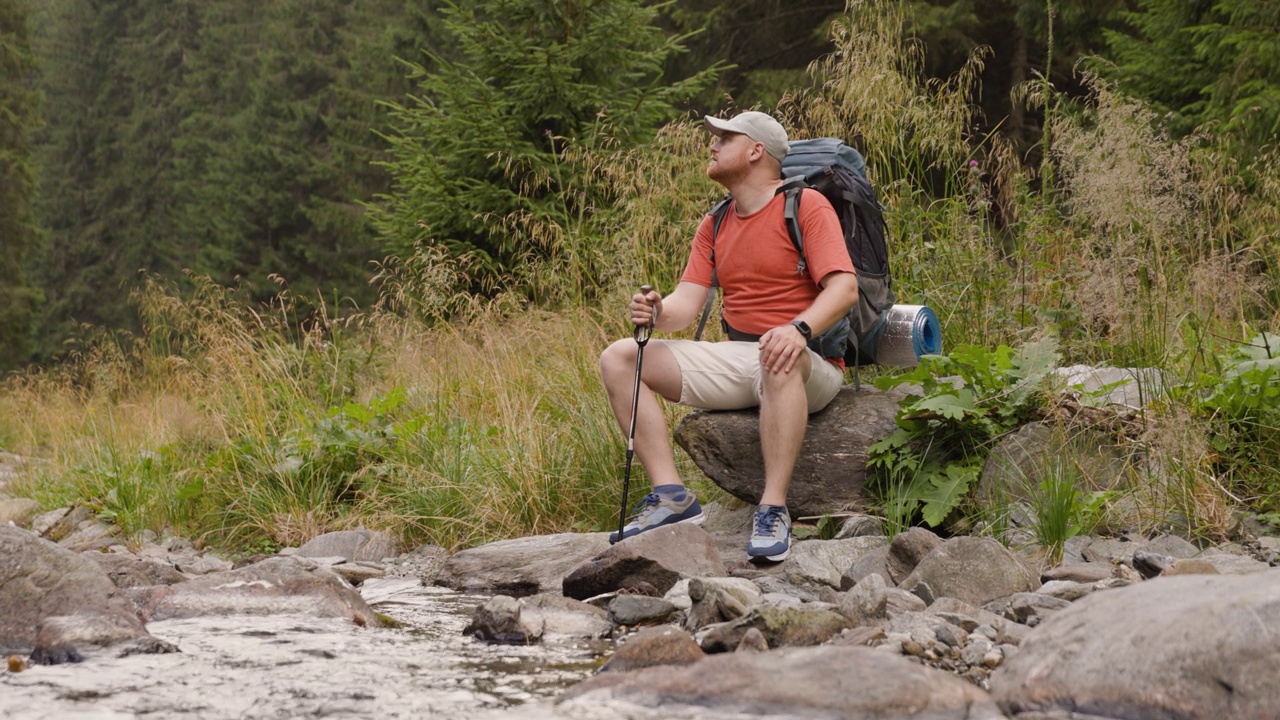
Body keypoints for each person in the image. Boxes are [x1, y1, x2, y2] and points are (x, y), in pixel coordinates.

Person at [598, 110, 859, 562]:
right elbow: (685, 306)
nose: (712, 144)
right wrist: (657, 312)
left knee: (776, 354)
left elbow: (844, 288)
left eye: (724, 137)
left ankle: (773, 508)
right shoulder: (715, 223)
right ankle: (672, 498)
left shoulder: (806, 205)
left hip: (807, 360)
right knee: (620, 357)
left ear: (756, 150)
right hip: (743, 356)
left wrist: (798, 329)